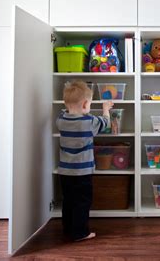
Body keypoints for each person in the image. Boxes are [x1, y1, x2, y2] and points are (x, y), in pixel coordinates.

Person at [56, 80, 113, 241]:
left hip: (65, 171)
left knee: (68, 201)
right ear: (86, 104)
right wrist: (105, 109)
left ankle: (68, 229)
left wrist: (73, 108)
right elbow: (106, 123)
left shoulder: (61, 120)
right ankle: (80, 232)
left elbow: (64, 112)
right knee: (82, 203)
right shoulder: (89, 122)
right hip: (82, 172)